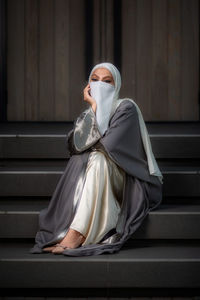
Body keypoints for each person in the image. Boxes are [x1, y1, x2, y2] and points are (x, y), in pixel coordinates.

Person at [30, 62, 163, 256]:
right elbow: (74, 146)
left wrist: (90, 133)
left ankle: (75, 235)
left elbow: (108, 145)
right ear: (88, 86)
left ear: (116, 85)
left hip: (124, 180)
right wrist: (93, 108)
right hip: (95, 177)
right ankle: (77, 233)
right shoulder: (87, 115)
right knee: (96, 159)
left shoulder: (126, 108)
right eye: (95, 80)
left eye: (107, 81)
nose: (100, 85)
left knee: (99, 158)